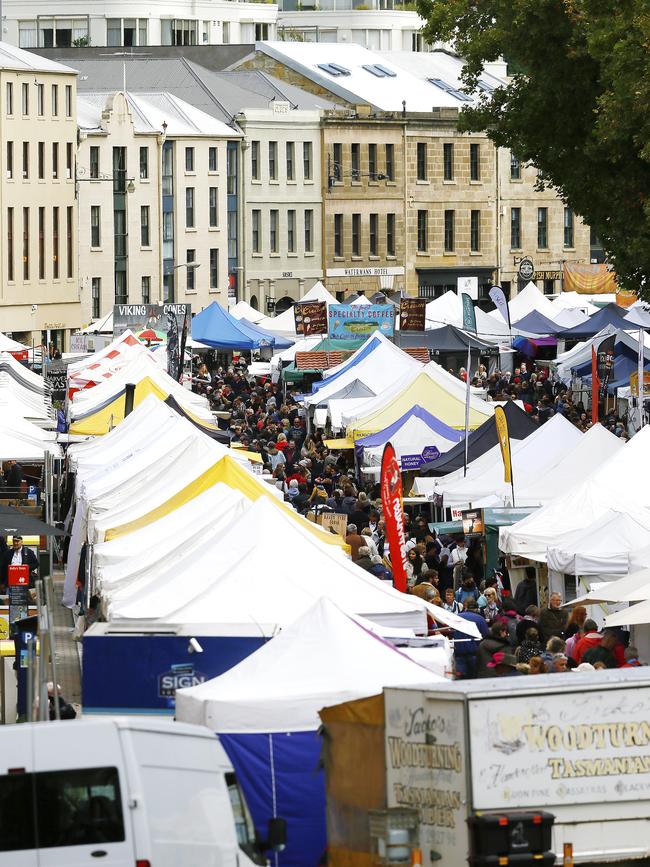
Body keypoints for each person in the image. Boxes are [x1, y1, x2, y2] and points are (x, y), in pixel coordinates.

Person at [452, 598, 489, 679]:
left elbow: (451, 633)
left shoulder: (457, 617)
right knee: (474, 678)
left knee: (460, 680)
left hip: (459, 655)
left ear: (466, 608)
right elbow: (486, 636)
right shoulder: (480, 619)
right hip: (475, 655)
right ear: (476, 609)